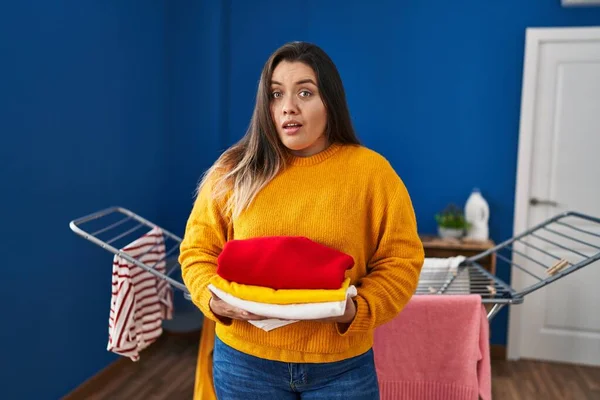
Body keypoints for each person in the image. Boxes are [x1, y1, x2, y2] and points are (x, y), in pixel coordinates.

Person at [179, 41, 425, 400]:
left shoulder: (373, 174)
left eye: (304, 92)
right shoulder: (233, 171)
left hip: (341, 367)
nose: (288, 107)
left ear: (330, 101)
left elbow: (401, 261)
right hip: (245, 362)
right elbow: (197, 252)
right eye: (276, 94)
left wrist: (358, 310)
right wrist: (214, 302)